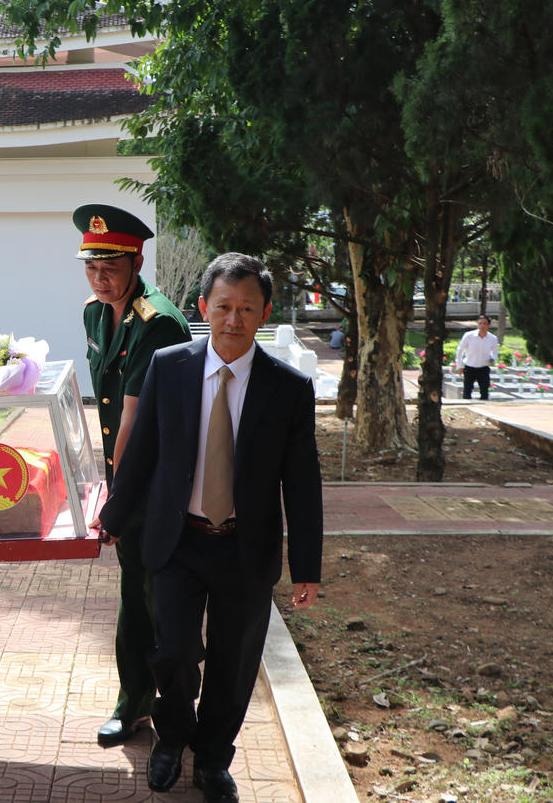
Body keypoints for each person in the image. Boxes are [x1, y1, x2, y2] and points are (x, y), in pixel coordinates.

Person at [95, 253, 323, 803]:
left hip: (245, 548)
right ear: (204, 307)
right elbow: (143, 450)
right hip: (177, 540)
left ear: (265, 312)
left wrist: (307, 568)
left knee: (234, 661)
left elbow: (303, 481)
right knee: (172, 650)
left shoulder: (287, 387)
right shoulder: (170, 367)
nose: (234, 318)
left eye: (247, 308)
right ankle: (173, 739)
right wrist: (114, 517)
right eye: (223, 306)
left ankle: (215, 758)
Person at [72, 204, 191, 747]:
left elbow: (135, 418)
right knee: (135, 590)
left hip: (157, 479)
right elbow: (101, 403)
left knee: (155, 598)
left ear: (137, 260)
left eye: (111, 265)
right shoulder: (96, 314)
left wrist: (115, 500)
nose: (100, 276)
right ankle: (137, 702)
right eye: (92, 265)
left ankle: (161, 709)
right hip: (124, 474)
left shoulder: (158, 321)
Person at [455, 315, 499, 400]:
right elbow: (460, 350)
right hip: (469, 367)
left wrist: (492, 359)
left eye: (485, 324)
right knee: (467, 392)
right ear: (477, 325)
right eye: (480, 323)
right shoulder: (468, 336)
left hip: (483, 368)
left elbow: (495, 353)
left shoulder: (493, 338)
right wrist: (459, 366)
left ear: (488, 325)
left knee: (484, 393)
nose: (482, 326)